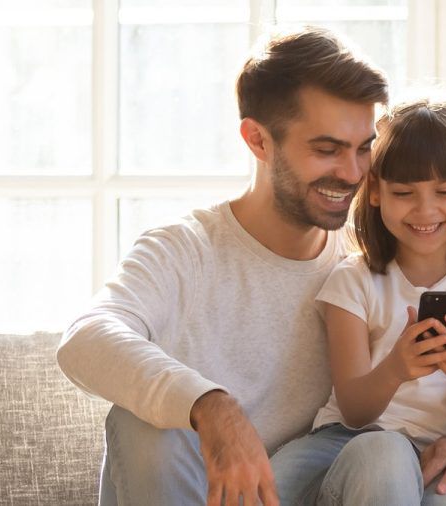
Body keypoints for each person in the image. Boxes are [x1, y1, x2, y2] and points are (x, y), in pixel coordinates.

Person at [56, 26, 392, 505]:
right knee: (144, 427)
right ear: (257, 140)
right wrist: (210, 406)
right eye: (326, 149)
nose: (353, 173)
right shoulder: (183, 250)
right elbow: (86, 339)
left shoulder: (366, 259)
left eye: (363, 148)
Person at [268, 100, 446, 505]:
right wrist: (396, 368)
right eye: (404, 193)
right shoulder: (353, 280)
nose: (425, 210)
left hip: (436, 451)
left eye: (445, 191)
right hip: (343, 442)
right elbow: (354, 410)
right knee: (274, 488)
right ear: (374, 190)